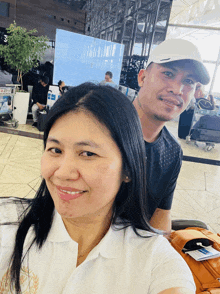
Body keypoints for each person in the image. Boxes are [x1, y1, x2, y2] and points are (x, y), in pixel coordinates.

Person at [0, 83, 195, 294]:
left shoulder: (155, 261)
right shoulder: (7, 223)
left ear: (128, 168)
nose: (63, 173)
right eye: (55, 150)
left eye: (88, 154)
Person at [133, 39, 210, 232]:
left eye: (188, 82)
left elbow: (161, 216)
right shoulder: (102, 127)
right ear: (142, 77)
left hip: (135, 251)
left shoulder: (172, 152)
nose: (177, 90)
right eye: (168, 74)